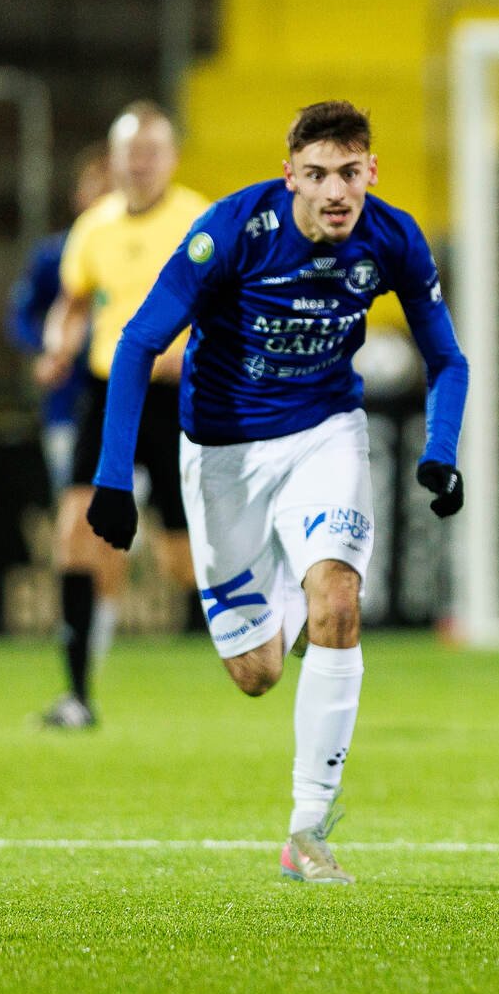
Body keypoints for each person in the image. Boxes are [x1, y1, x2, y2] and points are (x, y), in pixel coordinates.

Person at [83, 100, 468, 884]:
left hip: (326, 433)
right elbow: (137, 342)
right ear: (288, 173)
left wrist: (440, 449)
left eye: (350, 173)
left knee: (338, 600)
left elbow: (447, 358)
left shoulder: (392, 239)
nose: (335, 191)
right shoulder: (232, 231)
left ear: (372, 174)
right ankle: (292, 611)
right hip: (221, 454)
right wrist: (113, 480)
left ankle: (307, 830)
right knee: (256, 672)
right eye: (318, 174)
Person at [31, 104, 207, 728]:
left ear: (171, 158)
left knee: (183, 558)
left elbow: (230, 308)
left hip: (178, 396)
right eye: (130, 151)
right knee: (76, 528)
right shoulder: (94, 227)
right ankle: (78, 695)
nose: (140, 162)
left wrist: (190, 352)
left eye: (152, 151)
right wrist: (59, 341)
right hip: (109, 390)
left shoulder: (200, 221)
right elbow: (72, 303)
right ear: (115, 158)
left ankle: (273, 621)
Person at [6, 146, 111, 496]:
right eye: (96, 190)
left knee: (129, 512)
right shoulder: (53, 256)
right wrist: (49, 350)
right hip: (68, 398)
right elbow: (21, 315)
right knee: (74, 496)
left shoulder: (141, 253)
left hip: (125, 396)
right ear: (79, 196)